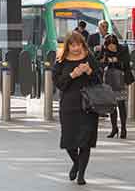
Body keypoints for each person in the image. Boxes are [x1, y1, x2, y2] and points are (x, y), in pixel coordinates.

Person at [54, 32, 102, 186]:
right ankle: (76, 162)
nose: (75, 48)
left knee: (85, 142)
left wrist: (89, 71)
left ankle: (81, 174)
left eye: (78, 44)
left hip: (88, 106)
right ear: (68, 45)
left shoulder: (89, 58)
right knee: (69, 142)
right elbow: (59, 83)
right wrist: (72, 75)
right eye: (72, 45)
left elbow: (99, 80)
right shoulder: (61, 60)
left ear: (83, 44)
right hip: (69, 105)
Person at [98, 34, 132, 139]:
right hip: (109, 80)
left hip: (120, 79)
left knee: (121, 104)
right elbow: (98, 61)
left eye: (113, 45)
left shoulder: (123, 49)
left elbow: (126, 62)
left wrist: (116, 60)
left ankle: (123, 128)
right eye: (109, 46)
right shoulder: (104, 49)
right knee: (111, 105)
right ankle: (114, 128)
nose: (111, 47)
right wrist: (105, 60)